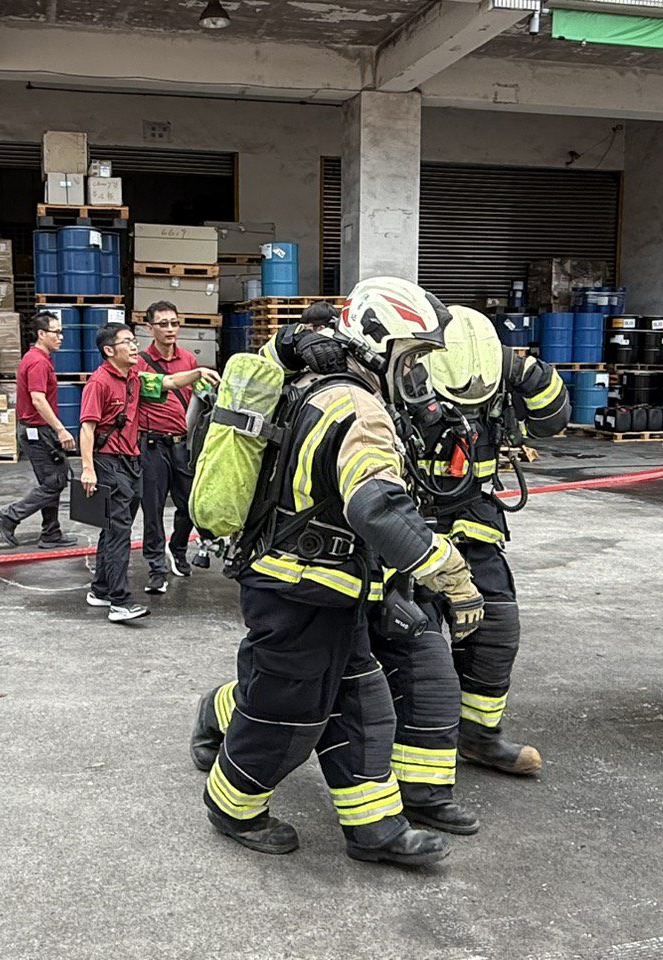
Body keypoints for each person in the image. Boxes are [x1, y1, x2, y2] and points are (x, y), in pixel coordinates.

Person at [190, 277, 486, 867]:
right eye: (415, 358)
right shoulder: (358, 407)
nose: (420, 376)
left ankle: (374, 828)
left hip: (329, 587)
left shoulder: (321, 387)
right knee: (285, 714)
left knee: (362, 705)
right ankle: (233, 806)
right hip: (299, 587)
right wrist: (450, 573)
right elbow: (375, 506)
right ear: (380, 346)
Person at [411, 305, 569, 795]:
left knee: (497, 625)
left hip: (473, 518)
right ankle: (409, 744)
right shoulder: (403, 375)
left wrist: (528, 370)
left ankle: (478, 736)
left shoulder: (497, 374)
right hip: (406, 521)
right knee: (414, 642)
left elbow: (554, 421)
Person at [79, 322, 215, 623]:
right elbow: (87, 427)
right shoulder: (99, 383)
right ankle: (120, 602)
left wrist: (198, 373)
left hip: (130, 460)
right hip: (108, 462)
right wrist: (88, 469)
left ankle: (100, 590)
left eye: (132, 340)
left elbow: (167, 383)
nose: (133, 346)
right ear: (109, 350)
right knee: (118, 533)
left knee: (112, 529)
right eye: (126, 342)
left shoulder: (134, 378)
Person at [0, 312, 78, 549]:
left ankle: (51, 533)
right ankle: (8, 516)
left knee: (52, 480)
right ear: (41, 334)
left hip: (37, 430)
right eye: (56, 332)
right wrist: (60, 430)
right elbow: (38, 400)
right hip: (37, 431)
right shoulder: (38, 362)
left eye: (61, 332)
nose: (61, 337)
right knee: (55, 482)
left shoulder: (39, 358)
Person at [136, 300, 198, 594]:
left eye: (174, 322)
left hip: (182, 445)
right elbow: (164, 384)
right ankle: (156, 566)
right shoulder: (138, 361)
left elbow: (200, 399)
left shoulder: (188, 359)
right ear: (149, 328)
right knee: (153, 508)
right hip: (151, 446)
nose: (170, 329)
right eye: (163, 324)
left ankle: (179, 547)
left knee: (190, 505)